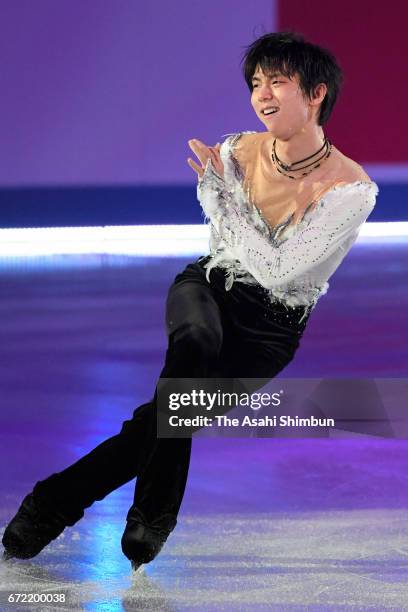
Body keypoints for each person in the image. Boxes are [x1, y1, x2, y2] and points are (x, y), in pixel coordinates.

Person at [2, 31, 378, 571]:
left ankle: (49, 504)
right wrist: (221, 194)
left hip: (269, 332)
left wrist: (226, 200)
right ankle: (152, 518)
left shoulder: (350, 189)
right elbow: (221, 226)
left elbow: (278, 270)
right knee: (192, 350)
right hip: (206, 287)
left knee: (158, 422)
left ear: (316, 93)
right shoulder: (236, 149)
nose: (262, 94)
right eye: (255, 83)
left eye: (277, 81)